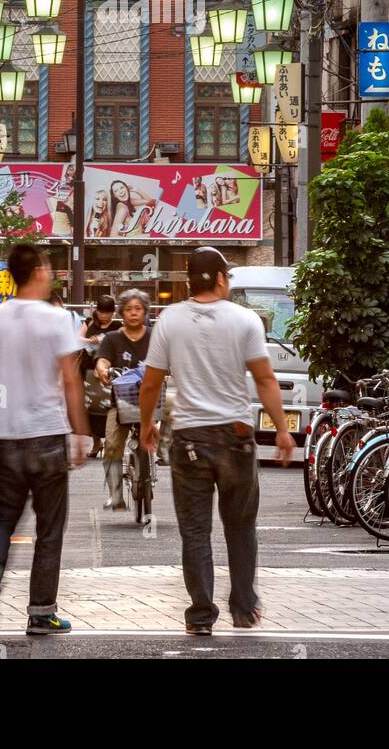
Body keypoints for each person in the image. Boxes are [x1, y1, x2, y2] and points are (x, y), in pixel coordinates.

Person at [139, 247, 294, 635]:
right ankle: (243, 607)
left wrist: (147, 423)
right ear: (222, 278)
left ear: (190, 279)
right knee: (240, 526)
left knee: (195, 532)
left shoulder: (170, 320)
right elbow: (264, 379)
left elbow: (152, 381)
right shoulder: (245, 320)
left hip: (189, 438)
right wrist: (282, 428)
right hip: (237, 436)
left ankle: (200, 616)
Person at [0, 243, 88, 635]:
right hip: (49, 435)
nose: (51, 272)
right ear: (37, 271)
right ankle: (41, 613)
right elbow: (71, 380)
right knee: (49, 529)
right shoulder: (57, 320)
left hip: (5, 436)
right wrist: (81, 432)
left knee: (4, 518)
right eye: (48, 266)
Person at [94, 289, 152, 510]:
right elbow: (102, 361)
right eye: (128, 309)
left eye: (138, 309)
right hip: (121, 403)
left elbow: (169, 357)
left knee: (175, 406)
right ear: (122, 313)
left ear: (145, 311)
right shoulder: (112, 338)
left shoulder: (155, 336)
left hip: (153, 400)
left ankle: (165, 449)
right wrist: (103, 369)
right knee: (111, 446)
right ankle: (115, 494)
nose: (133, 313)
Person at [78, 295, 120, 457]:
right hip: (88, 369)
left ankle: (109, 441)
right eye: (100, 312)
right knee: (89, 407)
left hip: (107, 372)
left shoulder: (117, 326)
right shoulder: (89, 322)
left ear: (112, 312)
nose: (103, 316)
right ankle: (96, 443)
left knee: (108, 407)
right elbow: (78, 338)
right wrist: (90, 339)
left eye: (106, 312)